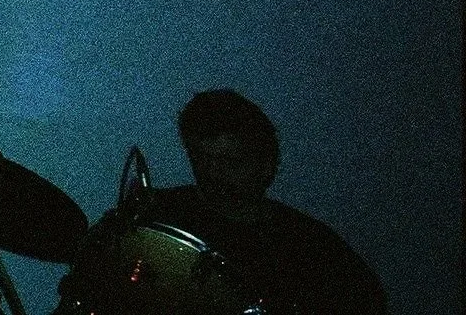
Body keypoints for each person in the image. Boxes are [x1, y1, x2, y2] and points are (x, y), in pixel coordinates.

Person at [59, 89, 387, 314]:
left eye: (232, 163)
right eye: (203, 162)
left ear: (266, 162)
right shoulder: (156, 216)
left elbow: (368, 302)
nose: (215, 175)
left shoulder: (311, 247)